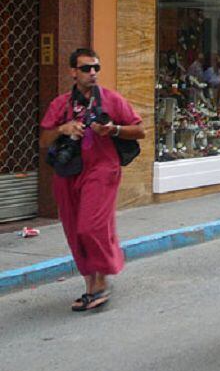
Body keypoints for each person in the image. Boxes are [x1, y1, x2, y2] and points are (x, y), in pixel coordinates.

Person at [40, 48, 146, 311]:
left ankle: (102, 281)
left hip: (102, 169)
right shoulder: (61, 104)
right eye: (86, 68)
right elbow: (43, 140)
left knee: (91, 226)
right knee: (75, 230)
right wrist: (63, 129)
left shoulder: (111, 100)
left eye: (96, 68)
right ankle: (90, 285)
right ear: (73, 72)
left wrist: (114, 129)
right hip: (68, 172)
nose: (93, 73)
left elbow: (140, 130)